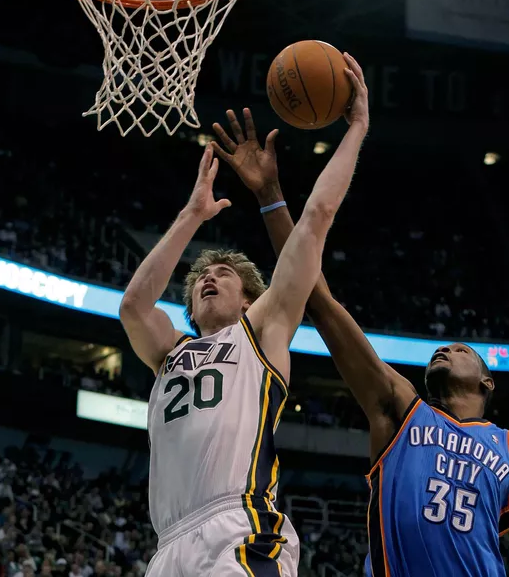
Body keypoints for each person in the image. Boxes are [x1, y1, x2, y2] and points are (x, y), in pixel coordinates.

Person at [214, 108, 509, 577]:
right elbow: (316, 298)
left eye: (461, 350)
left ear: (487, 381)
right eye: (444, 348)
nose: (446, 348)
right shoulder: (399, 408)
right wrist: (270, 193)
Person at [120, 55, 370, 576]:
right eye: (201, 279)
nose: (209, 276)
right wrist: (193, 214)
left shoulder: (262, 331)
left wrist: (357, 129)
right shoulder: (170, 353)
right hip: (167, 548)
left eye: (223, 275)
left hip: (240, 528)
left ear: (251, 299)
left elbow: (317, 218)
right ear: (189, 308)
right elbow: (134, 306)